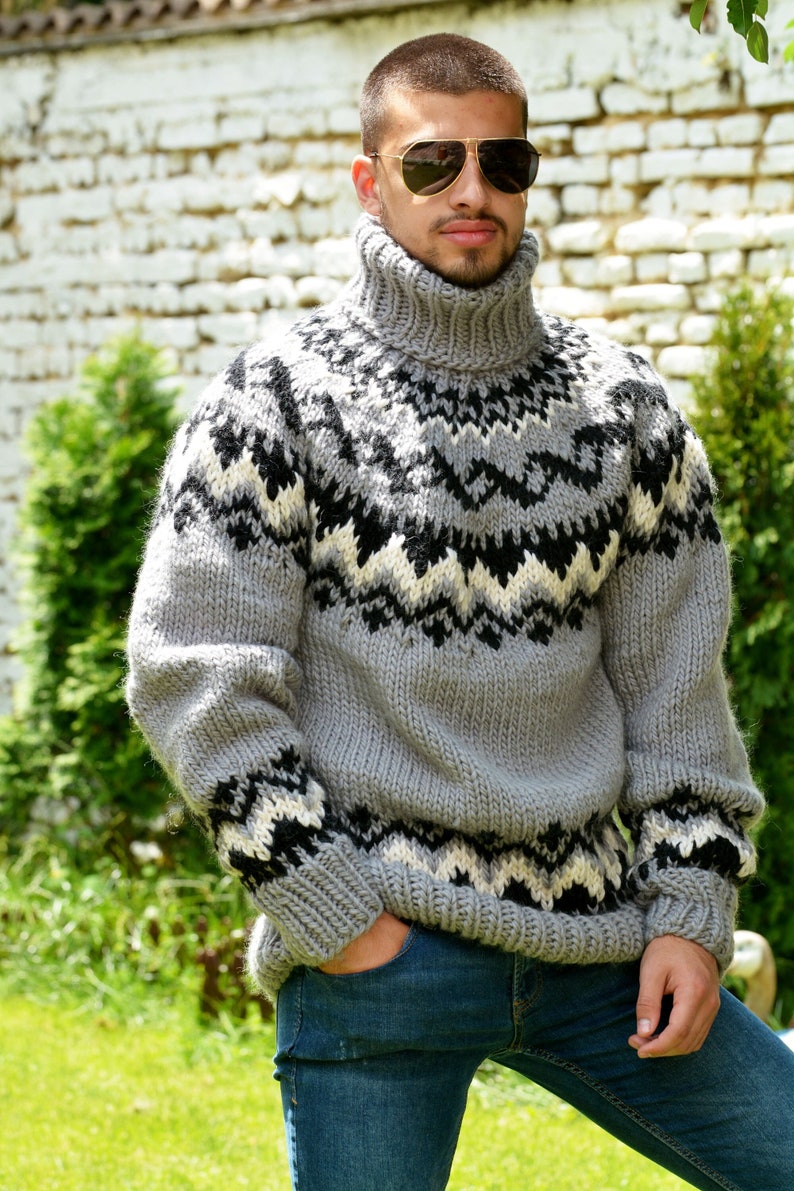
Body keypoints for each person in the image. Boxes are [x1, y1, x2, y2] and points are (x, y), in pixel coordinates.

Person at [126, 32, 794, 1191]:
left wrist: (690, 914)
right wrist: (337, 915)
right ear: (369, 180)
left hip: (601, 949)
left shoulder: (624, 411)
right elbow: (193, 675)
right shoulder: (273, 400)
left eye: (502, 161)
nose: (471, 190)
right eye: (431, 162)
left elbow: (676, 693)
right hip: (379, 950)